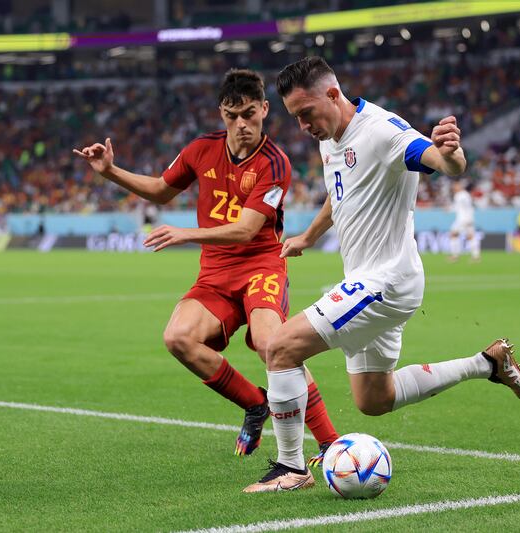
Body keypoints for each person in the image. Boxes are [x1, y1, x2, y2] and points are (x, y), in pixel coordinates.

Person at [244, 57, 520, 493]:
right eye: (296, 117)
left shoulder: (382, 130)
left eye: (306, 114)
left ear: (333, 95)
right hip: (369, 279)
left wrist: (451, 154)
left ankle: (290, 468)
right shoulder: (330, 136)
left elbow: (438, 161)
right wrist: (308, 236)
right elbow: (340, 192)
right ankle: (487, 363)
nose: (303, 126)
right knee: (373, 400)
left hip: (386, 280)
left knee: (280, 347)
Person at [75, 69, 340, 460]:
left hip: (261, 266)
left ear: (265, 109)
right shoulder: (201, 149)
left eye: (249, 113)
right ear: (221, 113)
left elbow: (248, 230)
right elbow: (162, 190)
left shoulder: (275, 163)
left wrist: (186, 234)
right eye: (232, 115)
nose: (241, 124)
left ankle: (330, 442)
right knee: (177, 338)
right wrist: (111, 171)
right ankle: (255, 403)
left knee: (273, 345)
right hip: (215, 274)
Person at [448, 180, 480, 262]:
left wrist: (468, 219)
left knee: (453, 234)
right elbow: (464, 207)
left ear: (459, 186)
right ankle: (475, 256)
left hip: (462, 219)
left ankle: (455, 256)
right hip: (467, 218)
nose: (454, 187)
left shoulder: (460, 195)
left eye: (456, 185)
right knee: (470, 236)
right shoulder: (465, 194)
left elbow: (466, 207)